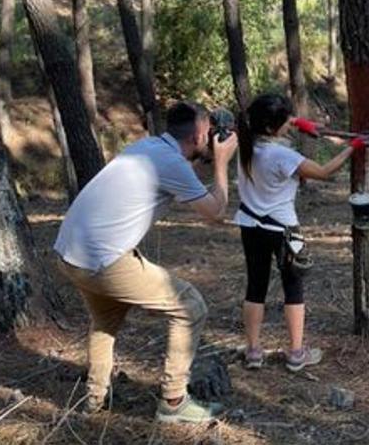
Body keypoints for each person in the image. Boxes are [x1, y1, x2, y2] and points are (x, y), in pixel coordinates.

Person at [53, 102, 238, 423]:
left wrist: (210, 157)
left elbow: (188, 185)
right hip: (104, 259)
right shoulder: (170, 162)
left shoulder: (148, 148)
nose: (212, 140)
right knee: (190, 306)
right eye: (210, 134)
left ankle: (94, 399)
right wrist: (222, 162)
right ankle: (174, 401)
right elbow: (215, 212)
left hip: (69, 253)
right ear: (197, 135)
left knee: (106, 321)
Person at [233, 93, 367, 372]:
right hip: (282, 229)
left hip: (250, 224)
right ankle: (296, 353)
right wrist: (352, 147)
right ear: (272, 128)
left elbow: (270, 122)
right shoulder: (282, 155)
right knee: (293, 288)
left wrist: (299, 122)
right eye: (285, 122)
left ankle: (254, 351)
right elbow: (324, 171)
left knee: (255, 286)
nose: (289, 126)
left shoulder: (246, 144)